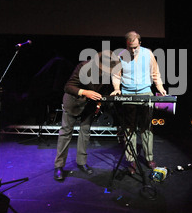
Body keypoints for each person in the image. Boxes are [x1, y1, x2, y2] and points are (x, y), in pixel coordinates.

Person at [54, 50, 117, 181]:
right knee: (66, 132)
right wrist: (85, 92)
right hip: (73, 102)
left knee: (85, 132)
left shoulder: (107, 72)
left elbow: (103, 89)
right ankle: (59, 166)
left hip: (89, 105)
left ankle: (81, 162)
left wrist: (99, 103)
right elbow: (68, 86)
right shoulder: (83, 67)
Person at [111, 31, 167, 174]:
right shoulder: (120, 55)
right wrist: (117, 89)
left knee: (146, 127)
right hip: (128, 94)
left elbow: (155, 73)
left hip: (145, 92)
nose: (133, 50)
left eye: (136, 47)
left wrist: (160, 88)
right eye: (131, 48)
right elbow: (116, 75)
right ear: (127, 45)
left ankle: (149, 158)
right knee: (129, 129)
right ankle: (132, 161)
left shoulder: (148, 54)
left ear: (140, 43)